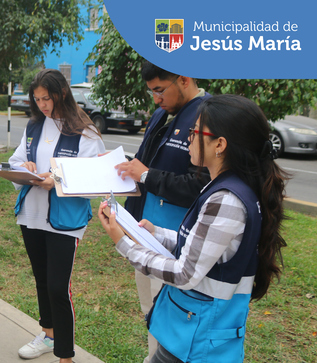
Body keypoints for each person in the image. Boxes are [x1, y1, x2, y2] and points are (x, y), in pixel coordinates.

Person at [99, 94, 287, 363]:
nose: (188, 137)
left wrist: (123, 242)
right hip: (190, 330)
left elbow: (185, 273)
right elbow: (201, 247)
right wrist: (157, 234)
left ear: (220, 144)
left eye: (195, 131)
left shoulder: (227, 200)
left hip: (199, 340)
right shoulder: (221, 186)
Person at [115, 61, 211, 362]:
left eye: (160, 90)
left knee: (174, 318)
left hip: (176, 242)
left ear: (184, 79)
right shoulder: (162, 115)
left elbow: (202, 186)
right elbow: (144, 164)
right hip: (145, 230)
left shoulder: (209, 117)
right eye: (151, 92)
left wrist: (146, 175)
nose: (156, 99)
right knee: (152, 313)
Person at [8, 69, 106, 363]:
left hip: (66, 220)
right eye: (37, 99)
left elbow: (96, 178)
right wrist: (23, 167)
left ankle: (65, 356)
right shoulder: (34, 126)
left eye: (46, 98)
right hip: (32, 214)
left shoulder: (85, 131)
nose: (41, 105)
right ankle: (47, 334)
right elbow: (15, 160)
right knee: (41, 280)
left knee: (57, 286)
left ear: (61, 94)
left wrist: (57, 179)